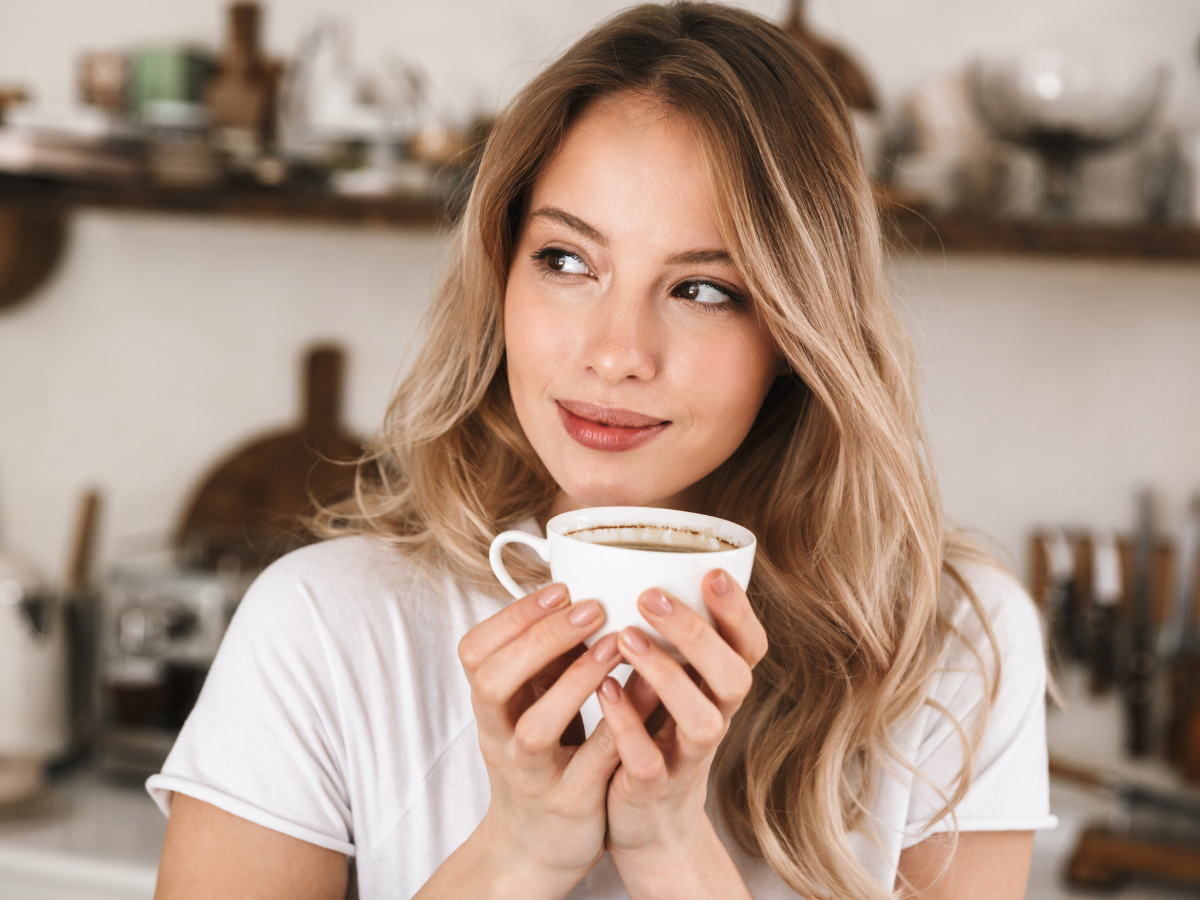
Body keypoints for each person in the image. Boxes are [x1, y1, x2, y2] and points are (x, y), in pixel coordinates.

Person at [149, 4, 1055, 898]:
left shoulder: (950, 646)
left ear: (796, 334)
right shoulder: (322, 628)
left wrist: (671, 848)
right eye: (569, 262)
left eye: (702, 288)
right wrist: (522, 852)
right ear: (501, 274)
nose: (618, 353)